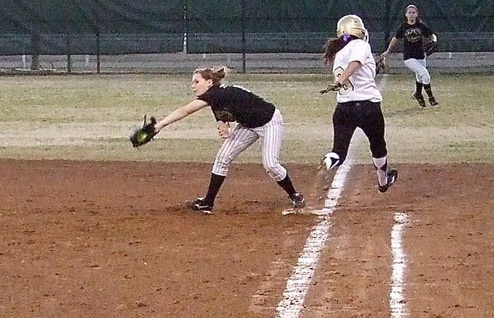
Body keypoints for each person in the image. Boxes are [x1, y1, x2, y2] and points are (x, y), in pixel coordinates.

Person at [150, 65, 305, 214]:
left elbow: (184, 111)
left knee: (270, 164)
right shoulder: (216, 95)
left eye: (197, 82)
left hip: (269, 121)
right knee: (222, 158)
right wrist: (222, 123)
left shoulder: (215, 94)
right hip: (248, 125)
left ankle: (295, 195)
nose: (193, 86)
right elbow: (222, 110)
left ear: (209, 82)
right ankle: (207, 202)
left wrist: (159, 125)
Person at [318, 14, 398, 193]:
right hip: (368, 107)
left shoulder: (339, 51)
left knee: (339, 151)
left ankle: (328, 160)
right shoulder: (361, 45)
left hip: (343, 108)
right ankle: (383, 182)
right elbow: (355, 63)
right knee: (378, 145)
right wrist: (341, 80)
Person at [380, 4, 439, 107]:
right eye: (409, 12)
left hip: (420, 55)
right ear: (406, 14)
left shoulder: (421, 25)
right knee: (425, 75)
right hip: (409, 57)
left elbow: (432, 35)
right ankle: (431, 98)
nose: (411, 15)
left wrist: (434, 41)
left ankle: (417, 94)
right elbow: (395, 39)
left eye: (413, 12)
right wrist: (388, 51)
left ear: (417, 14)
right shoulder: (403, 26)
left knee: (420, 77)